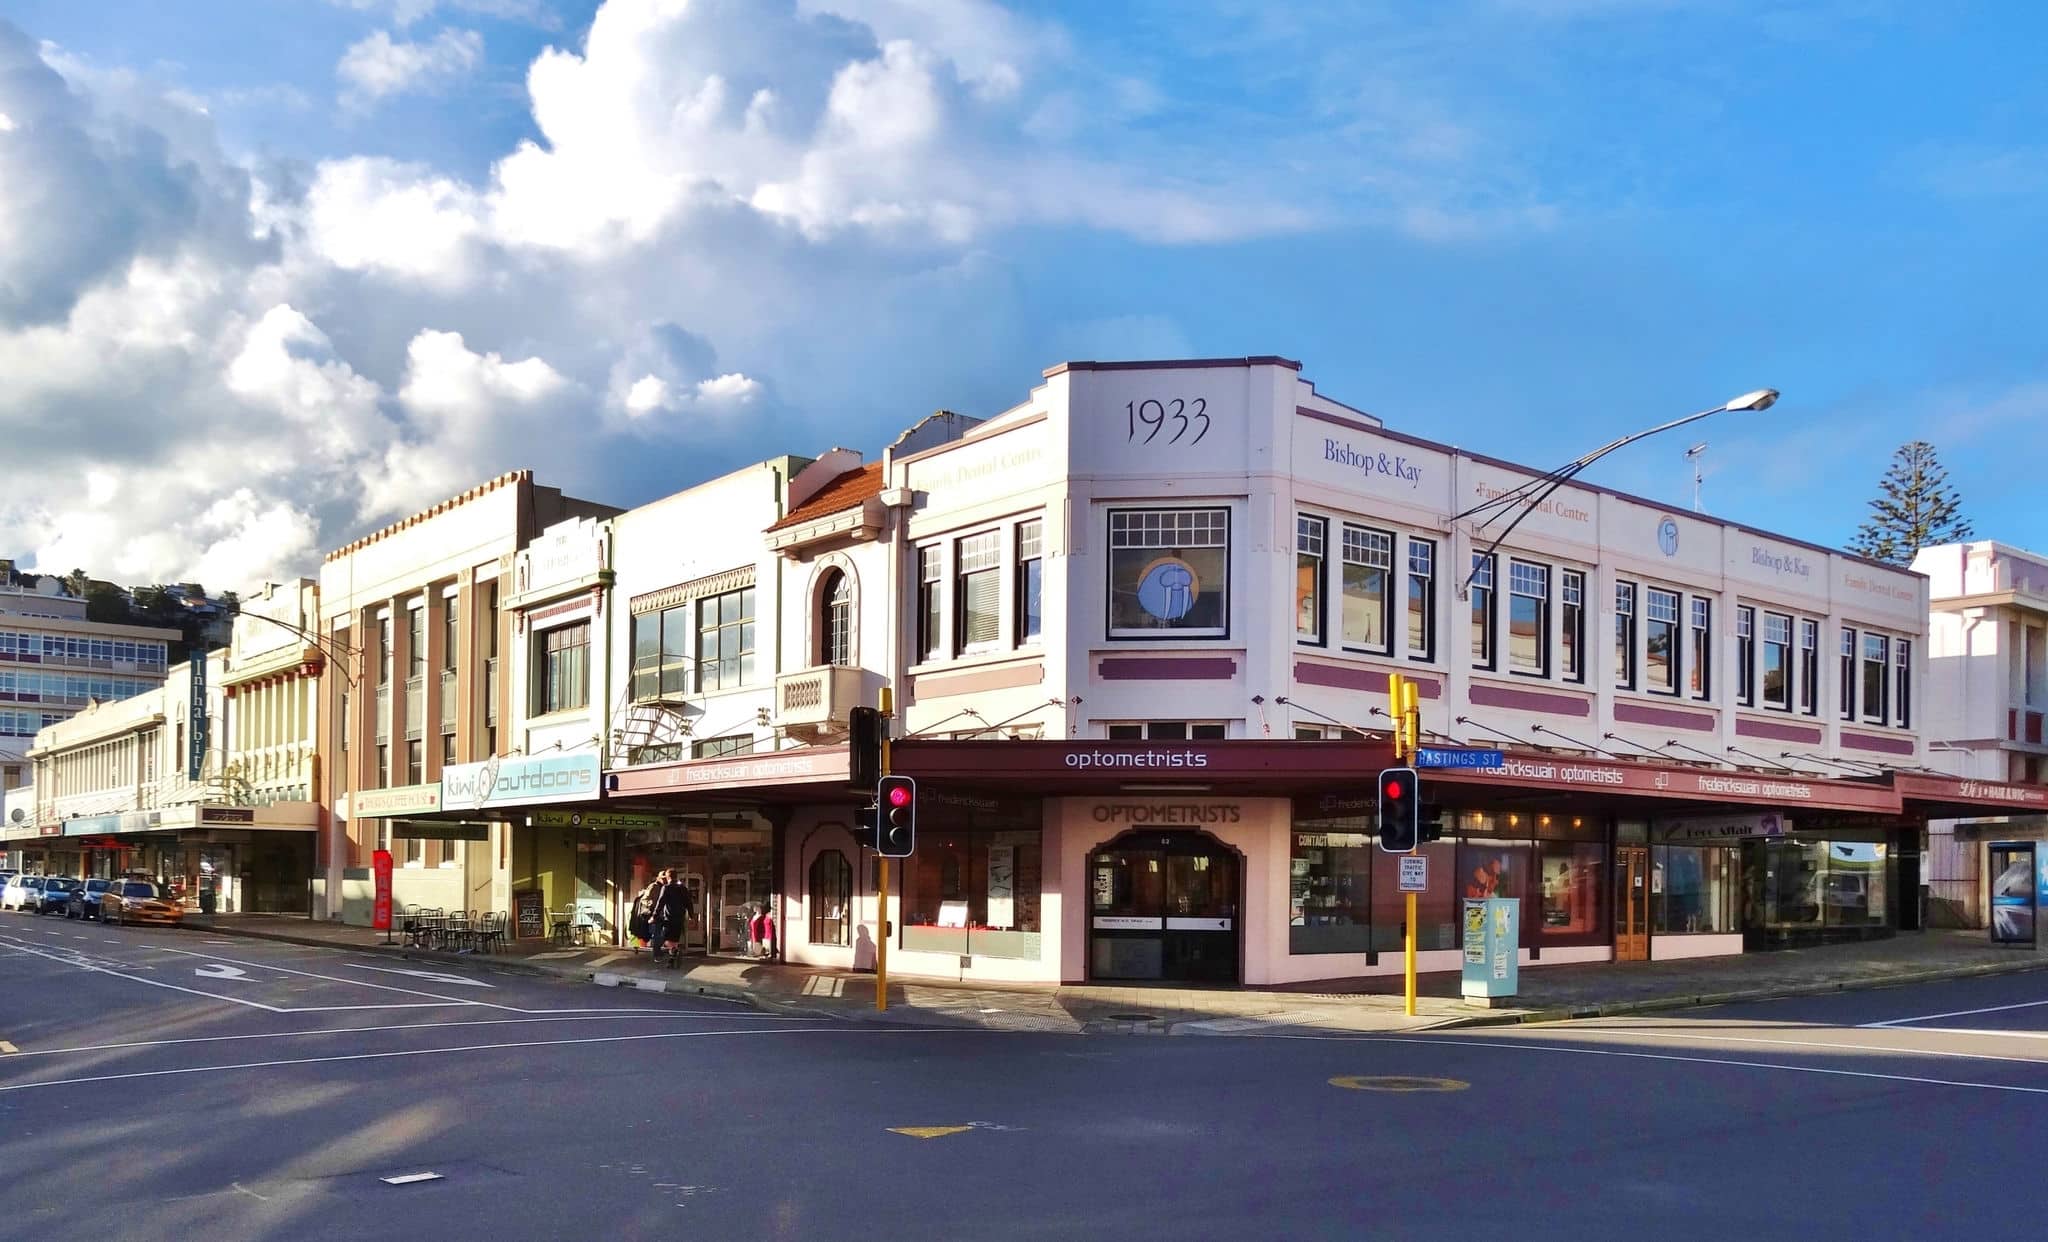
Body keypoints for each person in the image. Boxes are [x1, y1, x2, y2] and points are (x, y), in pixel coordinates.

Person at [650, 870, 689, 966]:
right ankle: (671, 960)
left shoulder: (666, 888)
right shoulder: (683, 888)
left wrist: (654, 916)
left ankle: (674, 952)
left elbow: (660, 903)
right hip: (679, 917)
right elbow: (688, 902)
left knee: (666, 938)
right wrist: (691, 915)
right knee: (675, 939)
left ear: (668, 877)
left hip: (669, 918)